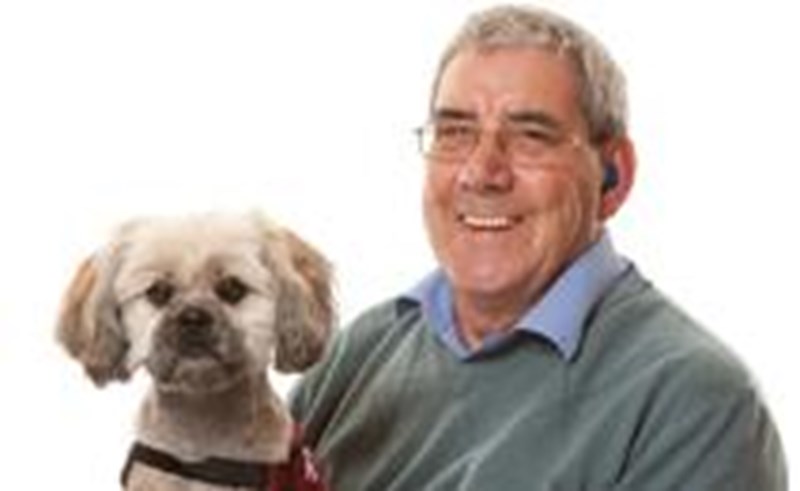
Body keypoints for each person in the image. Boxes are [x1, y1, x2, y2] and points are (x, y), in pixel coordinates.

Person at [290, 5, 787, 490]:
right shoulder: (363, 349)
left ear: (613, 178)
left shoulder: (695, 405)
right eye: (455, 133)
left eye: (531, 137)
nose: (481, 172)